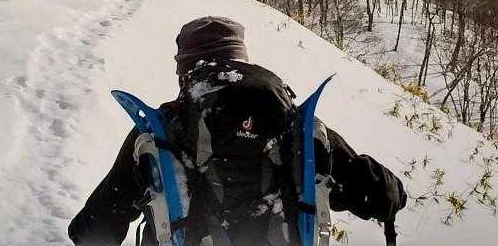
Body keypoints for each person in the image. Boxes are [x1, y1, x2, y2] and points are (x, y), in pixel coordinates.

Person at [68, 16, 405, 246]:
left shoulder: (159, 132)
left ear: (185, 73)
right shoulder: (295, 126)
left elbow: (94, 229)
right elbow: (382, 195)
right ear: (242, 61)